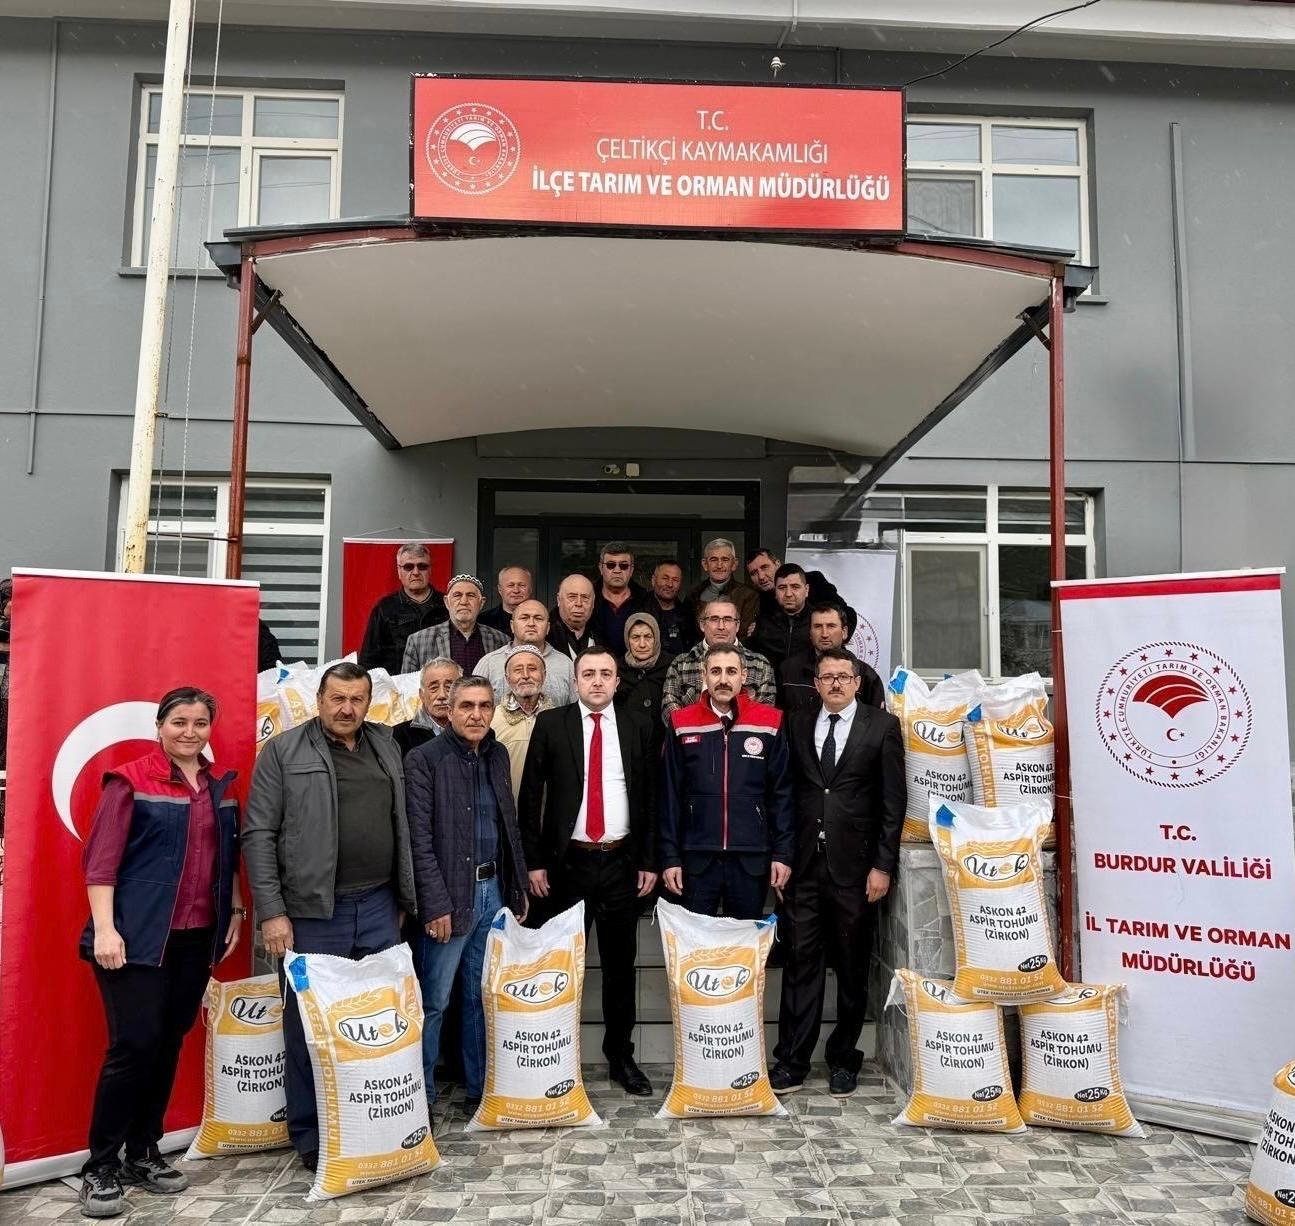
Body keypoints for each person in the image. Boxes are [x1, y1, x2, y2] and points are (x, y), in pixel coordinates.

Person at [77, 687, 244, 1219]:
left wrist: (235, 909)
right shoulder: (129, 781)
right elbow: (100, 863)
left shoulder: (220, 786)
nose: (190, 732)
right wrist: (106, 930)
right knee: (134, 1046)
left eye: (200, 723)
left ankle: (143, 1153)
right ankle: (100, 1166)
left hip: (197, 937)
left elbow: (225, 856)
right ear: (160, 726)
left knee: (169, 1042)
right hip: (136, 938)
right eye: (179, 722)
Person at [243, 662, 416, 1171]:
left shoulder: (385, 744)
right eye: (337, 698)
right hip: (313, 913)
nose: (346, 708)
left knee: (375, 1019)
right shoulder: (284, 751)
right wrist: (272, 912)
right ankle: (311, 1134)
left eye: (357, 699)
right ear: (319, 699)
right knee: (309, 1026)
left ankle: (370, 1123)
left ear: (368, 702)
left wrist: (403, 897)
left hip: (379, 905)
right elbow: (258, 834)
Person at [518, 647, 658, 1096]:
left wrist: (649, 860)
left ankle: (621, 1057)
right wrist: (534, 862)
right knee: (559, 966)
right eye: (589, 674)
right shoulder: (551, 724)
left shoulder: (638, 724)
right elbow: (530, 797)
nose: (597, 681)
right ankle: (553, 1056)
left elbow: (651, 797)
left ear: (617, 681)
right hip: (566, 866)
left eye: (605, 674)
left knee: (620, 967)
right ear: (575, 681)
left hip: (620, 864)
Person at [769, 648, 906, 1098]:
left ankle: (844, 1058)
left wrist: (882, 866)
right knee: (800, 965)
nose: (834, 684)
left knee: (850, 967)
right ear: (816, 683)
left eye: (843, 677)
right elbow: (785, 792)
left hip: (856, 870)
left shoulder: (881, 726)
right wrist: (783, 856)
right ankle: (791, 1060)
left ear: (857, 682)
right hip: (804, 867)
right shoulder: (797, 723)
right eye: (826, 677)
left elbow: (893, 803)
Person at [404, 676, 529, 1114]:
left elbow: (509, 825)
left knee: (479, 995)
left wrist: (517, 886)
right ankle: (420, 1097)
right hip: (450, 897)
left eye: (484, 706)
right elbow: (418, 840)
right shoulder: (425, 759)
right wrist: (434, 903)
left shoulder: (497, 754)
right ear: (449, 710)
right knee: (434, 1001)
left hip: (492, 892)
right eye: (467, 706)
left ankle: (478, 1090)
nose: (476, 715)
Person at [661, 646, 794, 920]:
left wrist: (783, 854)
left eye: (731, 671)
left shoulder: (769, 721)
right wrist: (669, 857)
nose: (723, 679)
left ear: (743, 676)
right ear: (704, 675)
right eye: (716, 671)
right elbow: (670, 795)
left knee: (744, 941)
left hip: (751, 857)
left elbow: (781, 793)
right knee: (697, 940)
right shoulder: (681, 721)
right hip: (697, 858)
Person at [660, 599, 776, 723]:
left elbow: (765, 711)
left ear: (737, 626)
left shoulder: (760, 664)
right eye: (714, 619)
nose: (721, 627)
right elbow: (669, 708)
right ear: (702, 625)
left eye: (728, 619)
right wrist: (697, 731)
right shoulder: (680, 664)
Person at [358, 543, 448, 675]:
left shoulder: (447, 605)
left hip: (440, 682)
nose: (416, 572)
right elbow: (368, 660)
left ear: (430, 570)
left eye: (422, 566)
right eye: (408, 567)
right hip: (398, 683)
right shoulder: (385, 608)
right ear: (399, 571)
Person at [781, 604, 886, 714]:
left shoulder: (865, 675)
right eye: (818, 626)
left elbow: (877, 720)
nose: (824, 634)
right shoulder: (788, 670)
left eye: (831, 626)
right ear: (810, 633)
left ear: (844, 632)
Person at [402, 573, 508, 675]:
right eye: (457, 595)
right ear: (446, 602)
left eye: (471, 595)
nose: (464, 601)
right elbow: (407, 685)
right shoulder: (418, 641)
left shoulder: (500, 640)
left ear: (481, 603)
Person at [476, 598, 574, 706]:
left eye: (538, 618)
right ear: (512, 626)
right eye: (524, 618)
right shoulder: (489, 663)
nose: (531, 623)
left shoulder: (566, 665)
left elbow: (577, 710)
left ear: (548, 628)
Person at [489, 644, 557, 796]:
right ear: (507, 678)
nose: (525, 675)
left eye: (532, 669)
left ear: (544, 675)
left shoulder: (558, 720)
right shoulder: (492, 719)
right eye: (518, 670)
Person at [745, 545, 857, 636]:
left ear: (777, 564)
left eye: (765, 567)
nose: (761, 576)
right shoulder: (758, 598)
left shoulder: (813, 580)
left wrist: (834, 644)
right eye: (754, 573)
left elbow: (848, 615)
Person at [616, 612, 674, 760]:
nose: (642, 644)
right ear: (627, 640)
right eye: (635, 637)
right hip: (628, 750)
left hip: (664, 749)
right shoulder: (616, 669)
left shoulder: (672, 665)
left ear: (656, 638)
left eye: (648, 637)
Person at [685, 538, 759, 640]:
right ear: (705, 564)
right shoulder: (694, 594)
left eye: (725, 560)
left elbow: (744, 633)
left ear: (734, 564)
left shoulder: (748, 595)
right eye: (713, 560)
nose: (719, 565)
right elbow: (688, 633)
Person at [393, 657, 462, 756]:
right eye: (434, 688)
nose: (442, 695)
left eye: (449, 687)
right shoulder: (398, 736)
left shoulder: (475, 732)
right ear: (422, 695)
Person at [752, 562, 813, 672]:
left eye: (795, 587)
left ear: (806, 590)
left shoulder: (818, 622)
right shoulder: (763, 623)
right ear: (775, 592)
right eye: (782, 588)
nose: (788, 594)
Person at [590, 541, 647, 648]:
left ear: (631, 570)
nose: (617, 570)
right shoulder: (587, 598)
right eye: (611, 565)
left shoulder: (646, 601)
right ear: (601, 568)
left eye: (623, 566)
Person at [641, 559, 699, 656]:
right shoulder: (640, 611)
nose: (670, 584)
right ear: (653, 580)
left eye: (675, 580)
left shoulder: (688, 614)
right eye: (665, 578)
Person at [547, 573, 602, 660]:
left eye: (585, 597)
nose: (579, 603)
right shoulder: (544, 634)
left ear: (593, 602)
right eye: (572, 597)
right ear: (559, 600)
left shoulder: (603, 633)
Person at [479, 565, 534, 635]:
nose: (516, 590)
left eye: (522, 585)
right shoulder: (483, 621)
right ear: (500, 589)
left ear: (530, 589)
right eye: (510, 585)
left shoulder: (542, 620)